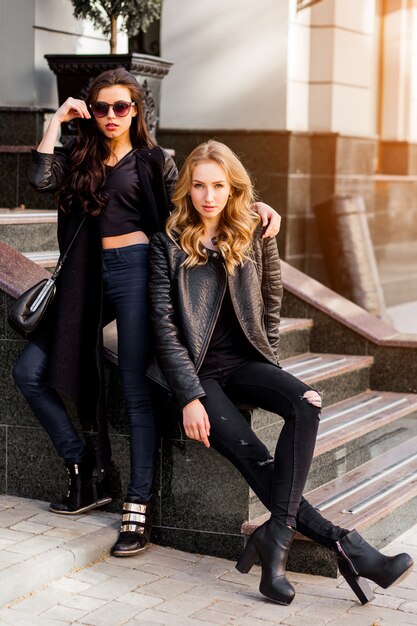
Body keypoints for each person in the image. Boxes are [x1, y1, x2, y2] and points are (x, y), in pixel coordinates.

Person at [12, 69, 281, 559]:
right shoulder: (81, 156)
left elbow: (197, 207)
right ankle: (84, 469)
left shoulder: (155, 162)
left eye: (121, 107)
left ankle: (138, 506)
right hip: (86, 280)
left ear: (136, 110)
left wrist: (253, 206)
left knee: (135, 389)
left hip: (137, 274)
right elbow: (39, 177)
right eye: (101, 108)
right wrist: (56, 122)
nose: (111, 116)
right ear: (89, 112)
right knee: (28, 370)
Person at [147, 140, 414, 605]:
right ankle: (350, 549)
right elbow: (165, 331)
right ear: (187, 189)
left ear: (233, 189)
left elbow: (270, 308)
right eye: (199, 186)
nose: (208, 196)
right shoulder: (166, 245)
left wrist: (273, 373)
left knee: (306, 401)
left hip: (245, 363)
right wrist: (189, 396)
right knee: (255, 456)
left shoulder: (255, 232)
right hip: (196, 376)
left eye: (219, 186)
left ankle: (279, 535)